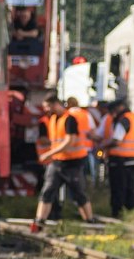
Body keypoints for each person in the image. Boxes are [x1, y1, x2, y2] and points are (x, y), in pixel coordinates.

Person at [29, 96, 93, 232]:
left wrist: (49, 153)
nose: (46, 109)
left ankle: (90, 222)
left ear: (56, 104)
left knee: (79, 193)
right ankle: (39, 222)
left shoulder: (69, 119)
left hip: (72, 163)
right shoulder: (53, 119)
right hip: (57, 162)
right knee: (47, 191)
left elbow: (70, 141)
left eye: (48, 106)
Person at [100, 100, 134, 217]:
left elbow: (117, 140)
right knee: (131, 188)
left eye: (113, 110)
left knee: (118, 189)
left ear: (119, 108)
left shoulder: (123, 120)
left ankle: (118, 213)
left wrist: (104, 146)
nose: (112, 113)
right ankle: (131, 212)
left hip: (120, 161)